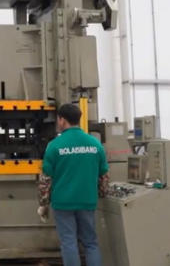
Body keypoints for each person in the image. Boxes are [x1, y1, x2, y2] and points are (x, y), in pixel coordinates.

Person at [38, 103, 109, 266]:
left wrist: (43, 203)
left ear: (62, 120)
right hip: (87, 201)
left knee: (69, 243)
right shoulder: (95, 144)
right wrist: (102, 194)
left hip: (63, 202)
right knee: (91, 243)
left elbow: (45, 179)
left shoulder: (54, 146)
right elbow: (104, 176)